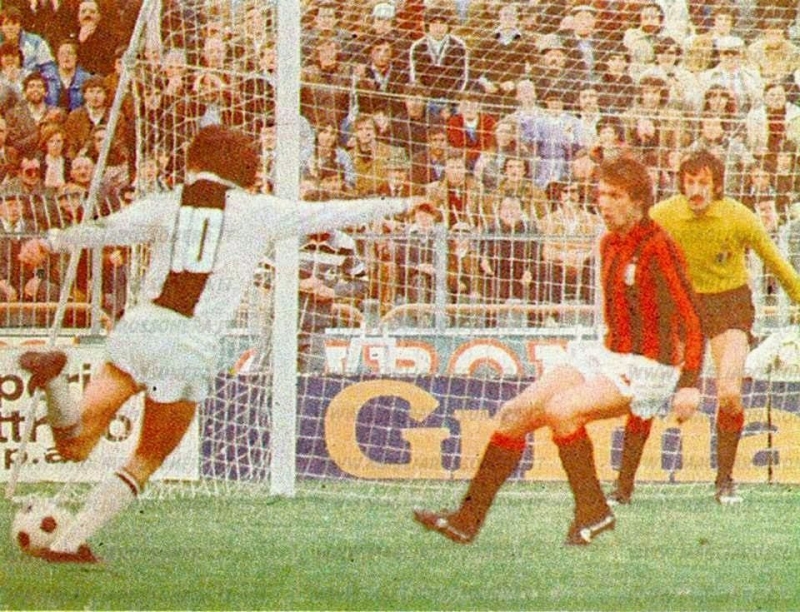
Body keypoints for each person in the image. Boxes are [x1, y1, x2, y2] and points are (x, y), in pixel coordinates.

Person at [15, 124, 409, 563]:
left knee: (74, 444)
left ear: (195, 161)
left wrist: (50, 242)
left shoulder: (167, 202)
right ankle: (68, 544)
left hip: (140, 329)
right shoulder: (258, 210)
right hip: (186, 346)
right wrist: (404, 203)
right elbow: (329, 214)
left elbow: (108, 228)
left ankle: (54, 381)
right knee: (146, 457)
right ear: (243, 169)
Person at [413, 155, 705, 546]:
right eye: (600, 194)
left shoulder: (659, 246)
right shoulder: (608, 242)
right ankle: (466, 520)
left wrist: (690, 382)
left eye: (614, 196)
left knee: (562, 410)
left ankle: (594, 511)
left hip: (649, 366)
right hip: (608, 354)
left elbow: (692, 316)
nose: (603, 203)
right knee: (514, 414)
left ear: (638, 201)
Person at [610, 149, 800, 507]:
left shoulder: (738, 217)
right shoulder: (663, 215)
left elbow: (777, 263)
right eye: (690, 182)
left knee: (729, 393)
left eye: (703, 183)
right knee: (647, 391)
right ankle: (623, 486)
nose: (695, 190)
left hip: (729, 305)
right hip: (679, 306)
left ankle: (724, 481)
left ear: (717, 186)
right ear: (681, 184)